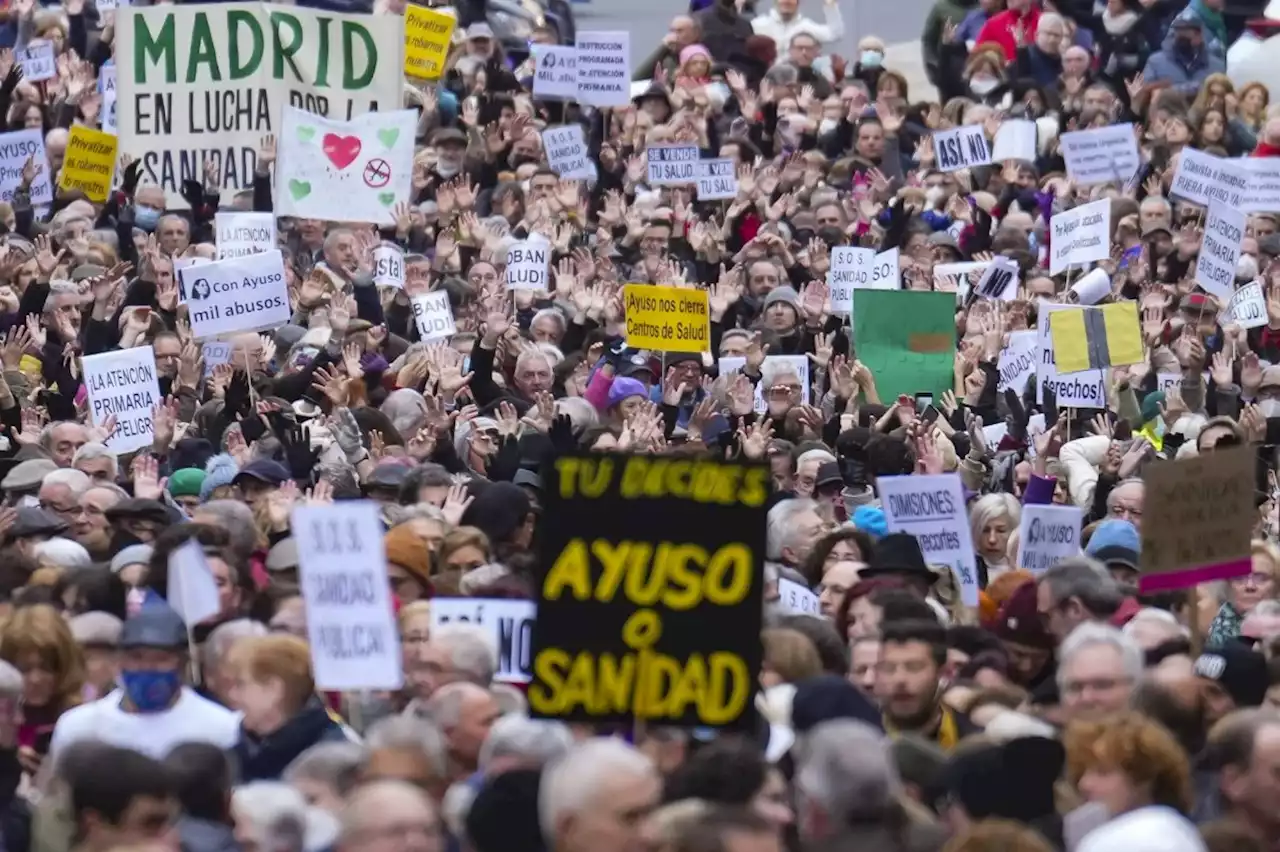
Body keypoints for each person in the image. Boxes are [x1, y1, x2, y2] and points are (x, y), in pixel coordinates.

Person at [50, 606, 239, 760]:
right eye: (136, 657)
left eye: (161, 659)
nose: (147, 667)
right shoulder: (79, 726)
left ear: (183, 664)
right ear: (119, 661)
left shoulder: (220, 727)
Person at [227, 634, 352, 782]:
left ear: (274, 689)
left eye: (241, 684)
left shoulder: (332, 758)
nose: (232, 695)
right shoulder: (237, 757)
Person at [875, 620, 979, 750]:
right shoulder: (860, 738)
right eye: (888, 668)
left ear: (942, 672)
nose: (900, 679)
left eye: (914, 667)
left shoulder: (974, 743)